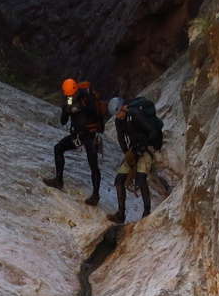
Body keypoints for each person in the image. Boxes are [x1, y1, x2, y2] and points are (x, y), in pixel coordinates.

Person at [43, 77, 107, 206]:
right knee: (59, 148)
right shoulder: (73, 98)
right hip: (82, 135)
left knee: (93, 165)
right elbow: (64, 120)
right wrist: (67, 109)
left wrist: (76, 108)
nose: (68, 95)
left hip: (88, 136)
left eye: (69, 93)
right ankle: (59, 181)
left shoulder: (85, 98)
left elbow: (92, 114)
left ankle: (95, 195)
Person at [109, 95, 157, 225]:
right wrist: (127, 153)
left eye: (118, 113)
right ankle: (121, 214)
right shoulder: (119, 121)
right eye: (116, 115)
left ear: (123, 108)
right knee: (119, 180)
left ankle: (146, 212)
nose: (118, 116)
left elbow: (152, 131)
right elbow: (121, 138)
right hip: (134, 150)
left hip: (146, 149)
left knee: (141, 179)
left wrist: (144, 147)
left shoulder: (135, 114)